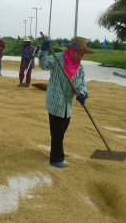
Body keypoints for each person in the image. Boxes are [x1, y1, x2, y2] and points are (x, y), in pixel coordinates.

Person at [38, 36, 94, 168]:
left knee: (63, 128)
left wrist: (82, 93)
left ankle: (58, 148)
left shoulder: (80, 68)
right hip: (56, 100)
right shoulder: (58, 58)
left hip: (68, 104)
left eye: (82, 54)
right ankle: (56, 158)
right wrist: (44, 51)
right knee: (57, 131)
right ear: (71, 51)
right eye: (78, 53)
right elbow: (44, 64)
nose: (79, 56)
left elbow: (82, 83)